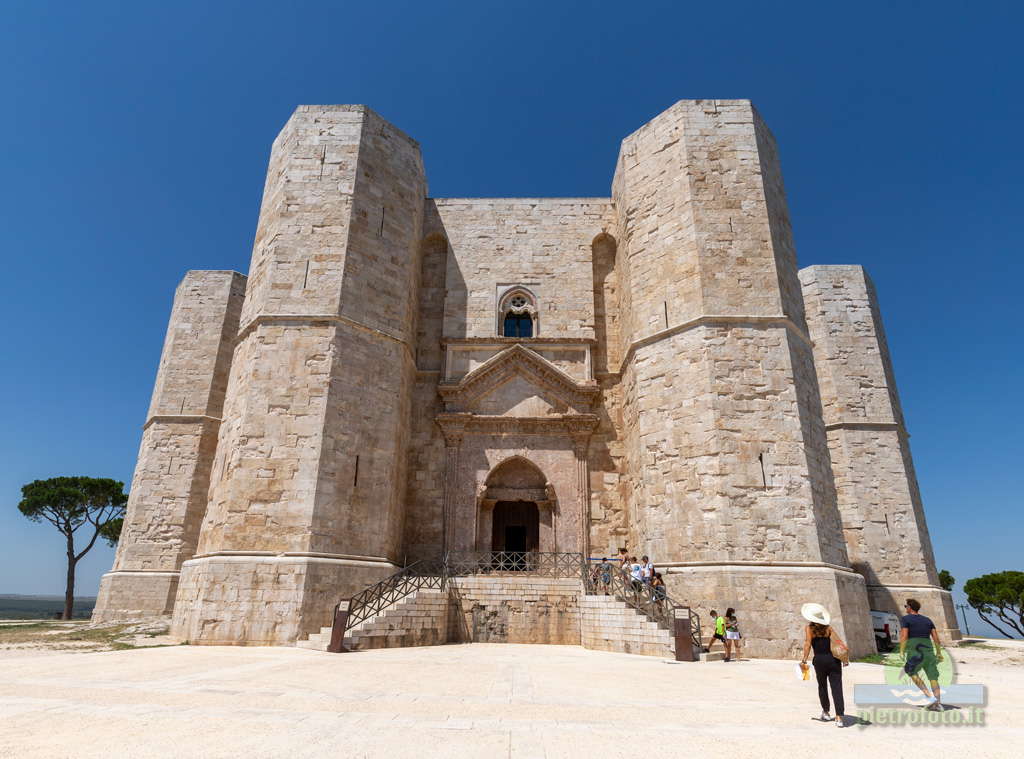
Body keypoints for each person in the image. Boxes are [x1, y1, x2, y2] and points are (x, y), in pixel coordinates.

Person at [799, 602, 849, 728]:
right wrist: (844, 658)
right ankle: (839, 717)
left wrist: (804, 659)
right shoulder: (829, 628)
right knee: (837, 687)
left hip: (819, 660)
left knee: (822, 686)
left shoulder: (809, 628)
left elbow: (807, 644)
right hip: (833, 660)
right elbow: (838, 642)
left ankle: (826, 712)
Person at [900, 598, 944, 711]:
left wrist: (901, 651)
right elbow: (936, 638)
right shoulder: (928, 620)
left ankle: (930, 697)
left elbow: (904, 636)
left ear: (910, 607)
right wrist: (938, 652)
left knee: (910, 671)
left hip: (915, 650)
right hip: (929, 650)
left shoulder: (906, 619)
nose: (905, 608)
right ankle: (938, 703)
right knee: (933, 676)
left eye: (906, 606)